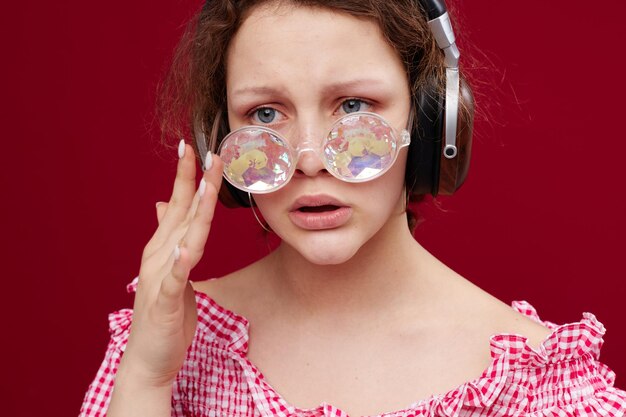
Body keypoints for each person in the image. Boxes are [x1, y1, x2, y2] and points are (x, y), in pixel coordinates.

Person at [79, 0, 626, 416]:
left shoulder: (542, 389)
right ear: (218, 139)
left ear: (434, 123)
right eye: (266, 114)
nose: (310, 159)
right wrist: (148, 378)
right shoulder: (164, 342)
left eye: (355, 104)